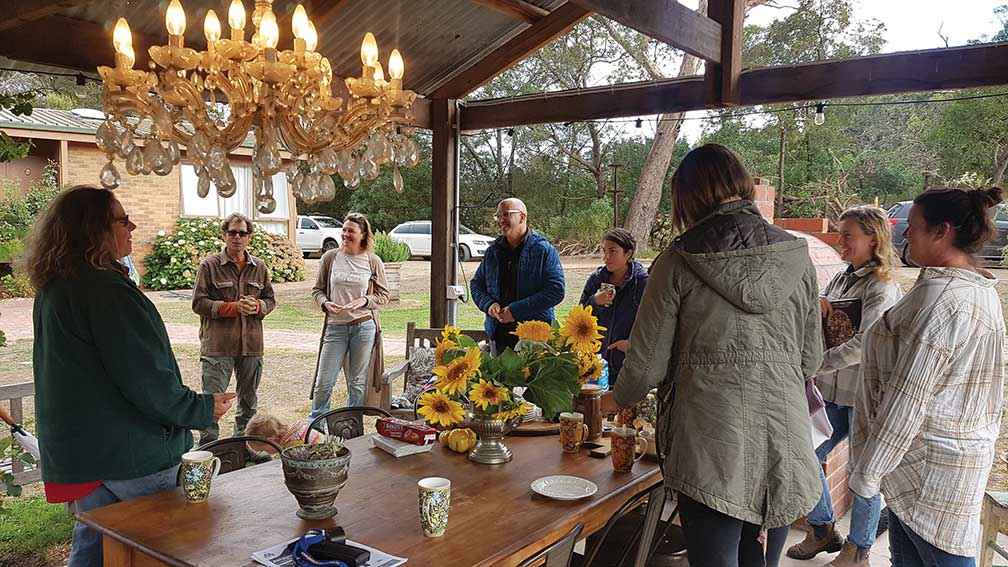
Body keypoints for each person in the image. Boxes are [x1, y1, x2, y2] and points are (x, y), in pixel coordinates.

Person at [614, 144, 823, 567]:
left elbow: (646, 365)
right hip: (783, 442)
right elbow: (810, 360)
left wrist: (613, 400)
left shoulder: (677, 260)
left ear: (687, 196)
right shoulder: (797, 257)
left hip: (711, 446)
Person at [24, 185, 235, 567]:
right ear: (94, 230)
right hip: (128, 457)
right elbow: (146, 381)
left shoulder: (59, 286)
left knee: (95, 549)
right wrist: (201, 408)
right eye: (122, 220)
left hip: (87, 454)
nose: (132, 226)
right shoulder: (105, 291)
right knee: (164, 551)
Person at [850, 186, 1005, 567]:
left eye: (914, 227)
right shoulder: (972, 289)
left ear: (942, 231)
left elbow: (908, 401)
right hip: (936, 466)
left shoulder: (944, 302)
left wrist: (867, 475)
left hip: (929, 473)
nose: (904, 234)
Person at [787, 206, 904, 564]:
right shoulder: (841, 279)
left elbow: (866, 342)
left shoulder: (881, 285)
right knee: (804, 454)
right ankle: (823, 529)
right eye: (840, 234)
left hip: (865, 395)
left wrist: (820, 363)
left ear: (873, 239)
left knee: (862, 473)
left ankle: (859, 549)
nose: (841, 242)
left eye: (848, 235)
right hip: (832, 394)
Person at [192, 213, 276, 445]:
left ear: (249, 237)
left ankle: (243, 447)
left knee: (248, 402)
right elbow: (198, 303)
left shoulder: (259, 267)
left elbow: (270, 299)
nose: (237, 237)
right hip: (218, 346)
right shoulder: (209, 266)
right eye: (232, 232)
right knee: (212, 404)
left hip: (251, 346)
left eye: (242, 233)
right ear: (224, 235)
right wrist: (232, 307)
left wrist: (259, 305)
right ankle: (209, 450)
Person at [310, 212, 389, 416]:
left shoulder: (372, 261)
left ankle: (351, 426)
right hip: (335, 327)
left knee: (357, 382)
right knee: (324, 382)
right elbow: (317, 290)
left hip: (363, 326)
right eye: (344, 230)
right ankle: (316, 427)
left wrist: (363, 301)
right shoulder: (330, 258)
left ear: (363, 234)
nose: (345, 235)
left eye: (351, 231)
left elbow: (383, 295)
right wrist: (325, 303)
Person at [471, 198, 565, 354]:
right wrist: (489, 305)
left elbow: (556, 291)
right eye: (498, 216)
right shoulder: (493, 251)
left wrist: (515, 311)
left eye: (506, 214)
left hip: (535, 339)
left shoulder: (543, 250)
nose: (501, 220)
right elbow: (476, 285)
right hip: (498, 336)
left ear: (522, 217)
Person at [578, 228, 648, 384]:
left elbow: (653, 322)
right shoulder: (596, 279)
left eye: (613, 251)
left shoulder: (642, 283)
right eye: (604, 251)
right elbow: (579, 316)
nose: (606, 257)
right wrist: (594, 301)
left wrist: (631, 345)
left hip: (628, 362)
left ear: (628, 254)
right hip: (597, 361)